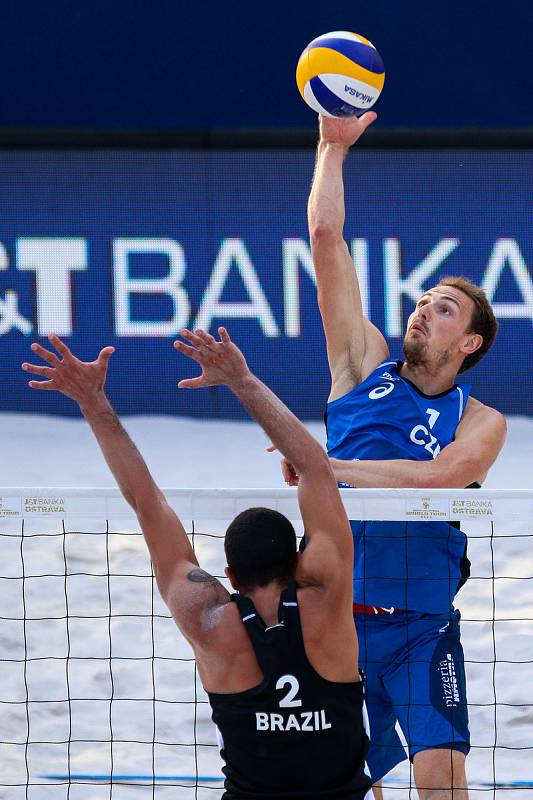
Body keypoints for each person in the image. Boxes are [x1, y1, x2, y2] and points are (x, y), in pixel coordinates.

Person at [22, 329, 372, 800]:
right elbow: (315, 467)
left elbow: (148, 504)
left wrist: (93, 402)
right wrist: (241, 378)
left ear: (227, 577)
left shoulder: (207, 619)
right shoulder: (327, 598)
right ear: (297, 562)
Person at [282, 113, 507, 800]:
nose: (421, 311)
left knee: (439, 778)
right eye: (423, 301)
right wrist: (330, 146)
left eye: (442, 311)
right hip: (331, 616)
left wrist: (326, 468)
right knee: (347, 786)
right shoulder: (360, 363)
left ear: (467, 343)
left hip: (419, 627)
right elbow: (324, 238)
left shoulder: (479, 420)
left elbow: (439, 477)